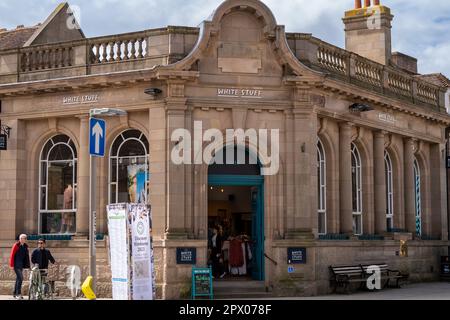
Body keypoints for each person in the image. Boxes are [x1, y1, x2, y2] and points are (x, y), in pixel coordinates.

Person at [9, 234, 30, 300]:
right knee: (20, 278)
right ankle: (18, 294)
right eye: (22, 238)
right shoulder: (16, 245)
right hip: (16, 265)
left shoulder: (25, 246)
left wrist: (28, 266)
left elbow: (27, 257)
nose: (23, 239)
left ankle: (15, 293)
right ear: (20, 239)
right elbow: (12, 255)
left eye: (24, 238)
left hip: (21, 265)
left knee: (18, 279)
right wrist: (11, 265)